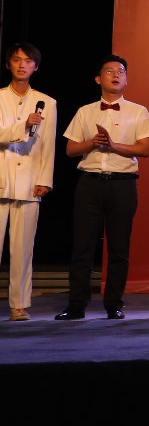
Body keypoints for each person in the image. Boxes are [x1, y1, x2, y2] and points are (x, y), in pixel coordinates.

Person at [58, 55, 149, 320]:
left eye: (121, 71)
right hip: (90, 182)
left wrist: (113, 146)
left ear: (126, 79)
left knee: (119, 247)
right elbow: (70, 149)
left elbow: (145, 149)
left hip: (122, 184)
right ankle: (76, 305)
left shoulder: (138, 111)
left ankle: (114, 304)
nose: (116, 75)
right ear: (98, 79)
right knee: (83, 246)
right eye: (110, 71)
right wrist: (92, 143)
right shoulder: (85, 111)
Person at [2, 43, 55, 322]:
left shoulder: (47, 102)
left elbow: (47, 146)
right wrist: (22, 126)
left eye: (28, 61)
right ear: (8, 64)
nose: (22, 65)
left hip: (29, 181)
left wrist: (45, 179)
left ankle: (19, 304)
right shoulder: (0, 97)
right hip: (2, 177)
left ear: (36, 66)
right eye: (16, 60)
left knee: (23, 249)